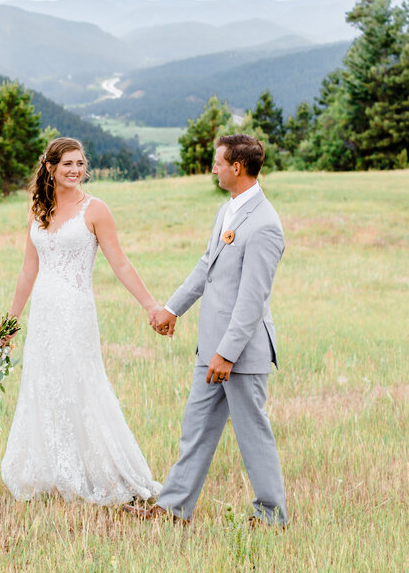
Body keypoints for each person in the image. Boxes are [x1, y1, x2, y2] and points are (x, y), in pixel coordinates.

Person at [130, 133, 289, 526]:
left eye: (218, 162)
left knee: (253, 435)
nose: (213, 168)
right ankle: (173, 509)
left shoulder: (266, 225)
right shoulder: (227, 211)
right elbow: (207, 267)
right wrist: (172, 309)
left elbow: (251, 300)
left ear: (237, 167)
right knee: (196, 430)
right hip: (210, 349)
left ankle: (272, 516)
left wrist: (227, 353)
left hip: (239, 353)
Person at [0, 137, 169, 504]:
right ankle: (58, 471)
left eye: (80, 163)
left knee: (80, 385)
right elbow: (28, 271)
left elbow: (120, 262)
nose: (76, 170)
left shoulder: (96, 210)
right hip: (43, 314)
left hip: (75, 313)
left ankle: (101, 473)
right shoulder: (37, 210)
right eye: (68, 164)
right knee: (45, 385)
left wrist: (151, 305)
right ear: (50, 168)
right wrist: (8, 326)